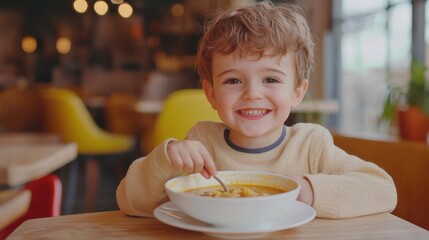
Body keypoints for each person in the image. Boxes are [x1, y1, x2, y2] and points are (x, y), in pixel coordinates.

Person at [116, 0, 397, 219]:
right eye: (233, 80)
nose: (252, 93)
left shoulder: (311, 146)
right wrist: (167, 158)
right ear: (212, 94)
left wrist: (308, 190)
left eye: (271, 79)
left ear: (297, 92)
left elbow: (383, 190)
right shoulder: (201, 142)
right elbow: (128, 201)